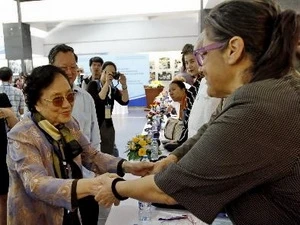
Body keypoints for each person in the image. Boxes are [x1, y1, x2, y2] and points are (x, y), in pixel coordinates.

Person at [94, 1, 300, 224]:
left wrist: (116, 187)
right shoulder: (268, 89)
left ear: (233, 50)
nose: (200, 67)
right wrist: (174, 157)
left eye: (203, 55)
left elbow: (170, 189)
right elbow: (212, 127)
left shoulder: (262, 106)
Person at [6, 65, 153, 225]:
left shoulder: (68, 124)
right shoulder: (22, 134)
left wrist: (128, 166)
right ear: (36, 103)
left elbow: (91, 155)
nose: (67, 105)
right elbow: (36, 184)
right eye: (57, 100)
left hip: (71, 213)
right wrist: (93, 185)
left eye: (69, 97)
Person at [48, 44, 101, 224]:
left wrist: (97, 173)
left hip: (86, 182)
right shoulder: (39, 102)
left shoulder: (85, 98)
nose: (69, 72)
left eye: (73, 67)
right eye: (63, 68)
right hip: (55, 187)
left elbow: (94, 138)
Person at [86, 61, 129, 157]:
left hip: (108, 124)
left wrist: (124, 85)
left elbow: (124, 101)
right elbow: (98, 100)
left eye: (113, 73)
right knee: (97, 153)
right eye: (108, 72)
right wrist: (106, 83)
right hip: (95, 124)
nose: (110, 75)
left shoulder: (112, 88)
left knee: (109, 152)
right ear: (103, 72)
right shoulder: (93, 85)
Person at [0, 93, 18, 225]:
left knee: (4, 198)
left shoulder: (2, 100)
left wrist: (9, 114)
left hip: (2, 158)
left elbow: (16, 128)